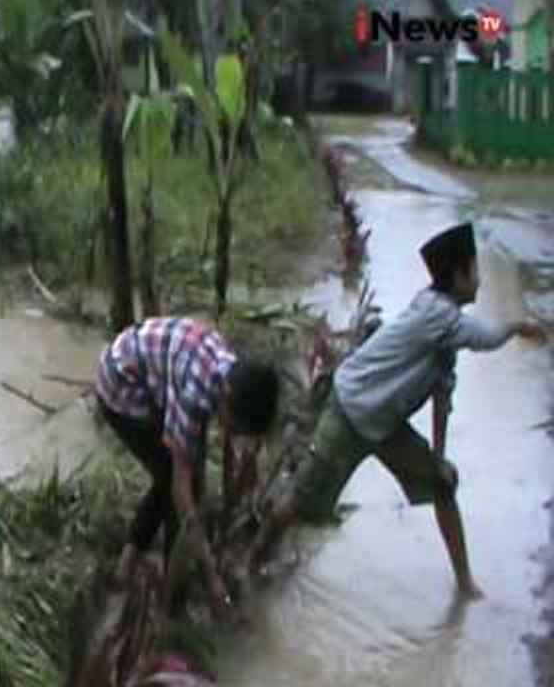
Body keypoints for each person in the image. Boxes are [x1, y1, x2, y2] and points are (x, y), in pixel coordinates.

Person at [247, 222, 547, 598]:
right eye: (476, 271)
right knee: (302, 500)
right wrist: (518, 325)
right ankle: (253, 561)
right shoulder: (440, 316)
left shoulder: (445, 329)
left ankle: (465, 584)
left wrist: (439, 458)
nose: (480, 281)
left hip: (385, 422)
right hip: (351, 411)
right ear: (459, 276)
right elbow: (485, 339)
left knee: (443, 484)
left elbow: (442, 399)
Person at [94, 317, 281, 617]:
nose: (231, 432)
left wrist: (235, 490)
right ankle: (171, 600)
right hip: (120, 388)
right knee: (175, 485)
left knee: (179, 477)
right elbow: (181, 491)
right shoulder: (195, 394)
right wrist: (212, 579)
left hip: (147, 371)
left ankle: (125, 568)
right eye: (234, 425)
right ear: (228, 400)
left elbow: (224, 446)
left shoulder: (230, 372)